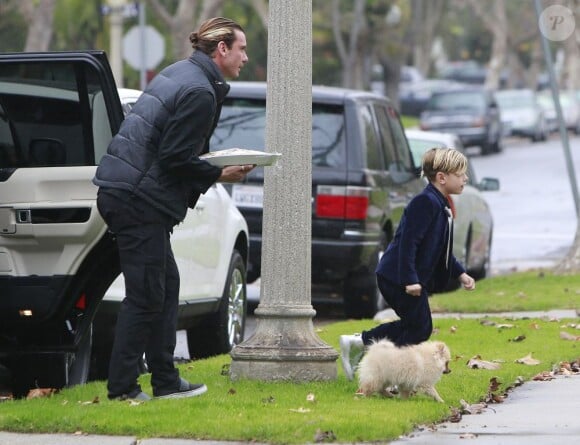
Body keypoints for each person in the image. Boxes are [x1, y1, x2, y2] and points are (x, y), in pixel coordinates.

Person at [93, 17, 253, 400]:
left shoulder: (181, 72)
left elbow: (168, 148)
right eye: (242, 49)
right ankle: (123, 390)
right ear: (222, 50)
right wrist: (219, 173)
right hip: (138, 200)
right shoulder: (199, 91)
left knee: (166, 286)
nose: (246, 57)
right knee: (146, 294)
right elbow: (173, 157)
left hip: (127, 192)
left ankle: (165, 380)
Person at [340, 147, 476, 381]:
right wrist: (410, 279)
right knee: (419, 328)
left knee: (417, 327)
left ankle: (364, 348)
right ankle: (370, 353)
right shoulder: (425, 203)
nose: (466, 178)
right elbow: (408, 244)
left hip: (405, 277)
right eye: (460, 174)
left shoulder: (439, 203)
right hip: (397, 277)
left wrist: (461, 274)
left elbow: (440, 251)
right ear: (442, 178)